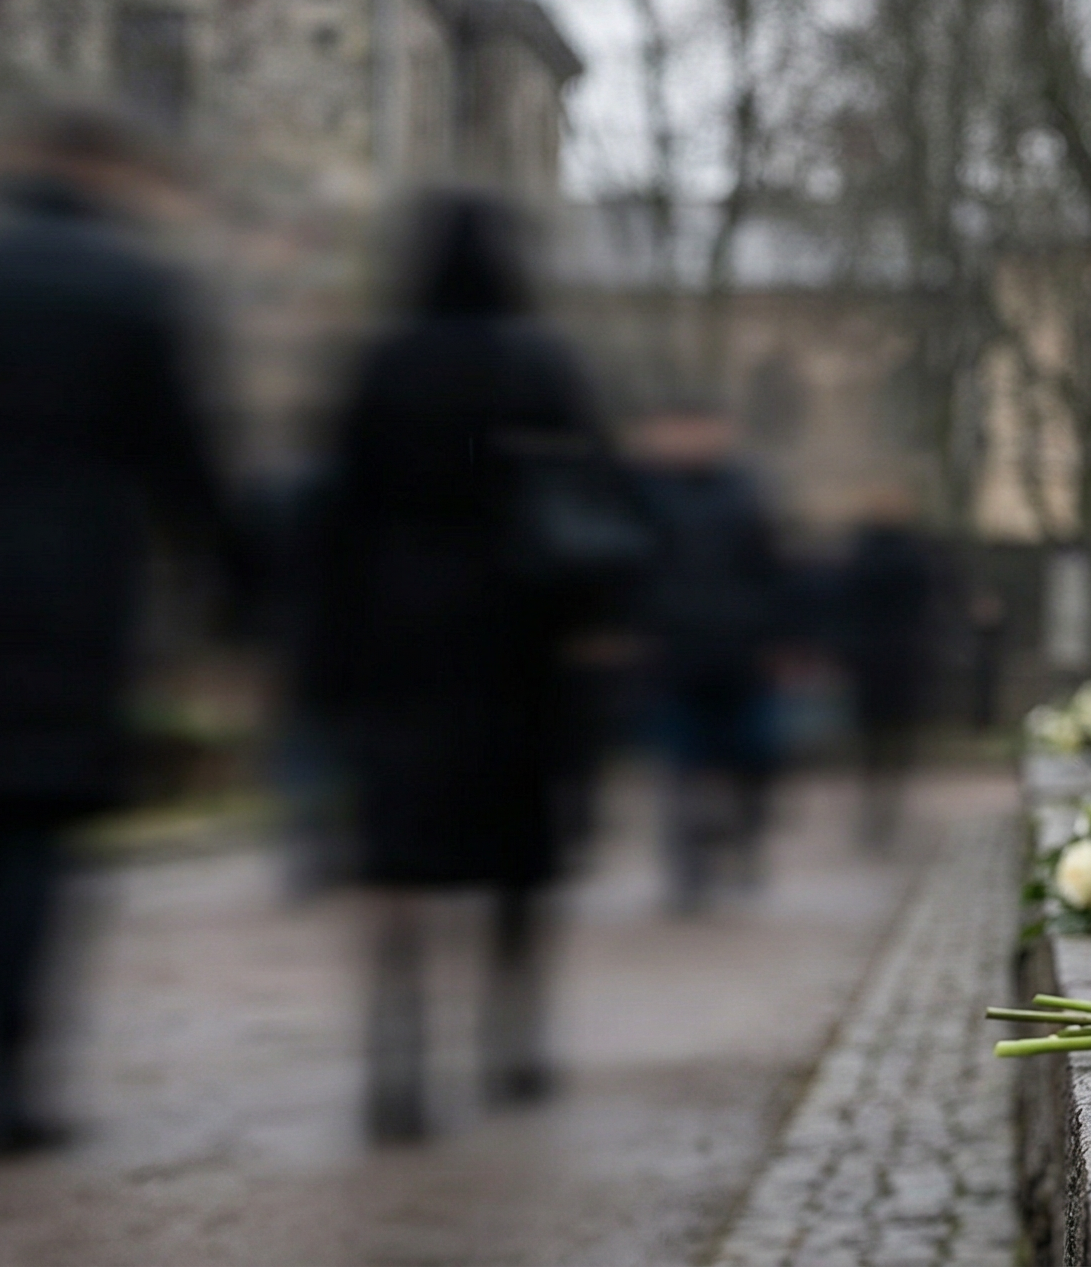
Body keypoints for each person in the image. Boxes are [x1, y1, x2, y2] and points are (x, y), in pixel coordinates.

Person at [0, 107, 243, 1158]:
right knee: (37, 828)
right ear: (102, 174)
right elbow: (185, 459)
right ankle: (14, 1072)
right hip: (72, 588)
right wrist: (228, 586)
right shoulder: (130, 285)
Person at [297, 189, 611, 1143]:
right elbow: (599, 500)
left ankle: (397, 1060)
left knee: (399, 857)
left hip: (402, 638)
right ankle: (510, 1043)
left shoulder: (382, 364)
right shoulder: (542, 363)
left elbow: (335, 513)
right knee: (517, 851)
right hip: (520, 638)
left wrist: (325, 654)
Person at [629, 404, 788, 912]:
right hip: (674, 648)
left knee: (749, 756)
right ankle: (688, 873)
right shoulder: (644, 493)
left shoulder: (745, 491)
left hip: (740, 647)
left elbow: (771, 567)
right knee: (681, 764)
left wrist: (778, 637)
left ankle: (741, 842)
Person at [833, 488, 936, 851]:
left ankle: (879, 797)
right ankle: (884, 796)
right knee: (891, 732)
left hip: (877, 656)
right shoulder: (912, 553)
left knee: (877, 734)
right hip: (896, 655)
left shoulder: (863, 553)